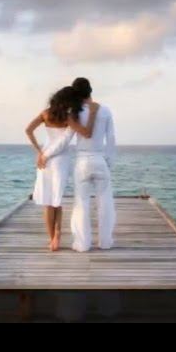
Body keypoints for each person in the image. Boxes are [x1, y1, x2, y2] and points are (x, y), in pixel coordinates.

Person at [39, 78, 116, 252]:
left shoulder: (75, 112)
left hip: (82, 163)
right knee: (105, 202)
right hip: (100, 160)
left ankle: (82, 244)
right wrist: (109, 163)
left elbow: (65, 139)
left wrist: (45, 155)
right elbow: (111, 139)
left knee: (81, 203)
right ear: (90, 90)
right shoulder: (105, 110)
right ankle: (105, 242)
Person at [25, 86, 100, 251]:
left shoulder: (45, 114)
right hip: (60, 160)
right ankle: (58, 232)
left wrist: (39, 152)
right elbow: (86, 133)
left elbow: (28, 130)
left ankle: (52, 239)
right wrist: (93, 113)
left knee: (48, 202)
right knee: (56, 199)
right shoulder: (69, 118)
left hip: (45, 159)